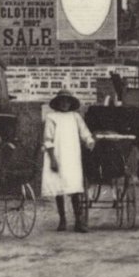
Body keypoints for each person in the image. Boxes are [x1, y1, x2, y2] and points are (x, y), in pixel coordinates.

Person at [42, 90, 95, 233]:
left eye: (67, 101)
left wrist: (89, 141)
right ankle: (62, 220)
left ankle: (78, 221)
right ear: (57, 103)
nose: (64, 104)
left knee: (75, 187)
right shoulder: (51, 117)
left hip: (72, 156)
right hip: (57, 155)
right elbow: (48, 139)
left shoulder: (75, 117)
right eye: (62, 101)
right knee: (59, 188)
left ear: (71, 103)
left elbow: (84, 132)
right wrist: (52, 159)